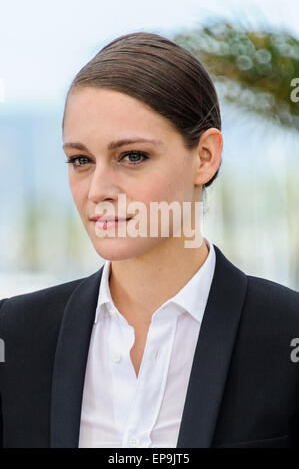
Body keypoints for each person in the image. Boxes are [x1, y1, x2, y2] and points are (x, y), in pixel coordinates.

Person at [0, 31, 299, 449]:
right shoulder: (13, 337)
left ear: (205, 156)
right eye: (80, 160)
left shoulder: (287, 333)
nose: (98, 188)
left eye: (132, 156)